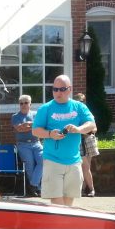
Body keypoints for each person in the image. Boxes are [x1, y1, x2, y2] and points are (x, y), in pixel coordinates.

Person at [32, 75, 95, 206]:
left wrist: (78, 129)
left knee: (68, 203)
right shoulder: (45, 108)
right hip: (52, 160)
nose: (58, 92)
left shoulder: (78, 107)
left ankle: (65, 226)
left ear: (70, 89)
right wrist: (50, 134)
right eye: (55, 89)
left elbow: (92, 124)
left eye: (62, 89)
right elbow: (35, 130)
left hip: (74, 161)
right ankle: (59, 226)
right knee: (57, 203)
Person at [11, 94, 43, 196]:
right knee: (29, 165)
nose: (23, 105)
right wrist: (31, 126)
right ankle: (37, 189)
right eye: (21, 103)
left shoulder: (36, 114)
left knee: (43, 161)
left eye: (26, 103)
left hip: (36, 142)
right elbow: (19, 129)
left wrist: (26, 125)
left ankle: (33, 185)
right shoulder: (15, 116)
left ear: (30, 104)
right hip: (23, 145)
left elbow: (40, 126)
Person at [73, 92, 99, 197]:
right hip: (80, 141)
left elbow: (95, 128)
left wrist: (88, 131)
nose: (81, 103)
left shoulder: (87, 113)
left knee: (86, 166)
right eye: (79, 101)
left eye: (82, 101)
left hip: (89, 140)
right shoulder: (74, 114)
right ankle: (91, 189)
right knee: (85, 166)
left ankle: (84, 189)